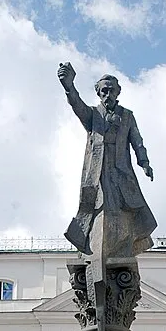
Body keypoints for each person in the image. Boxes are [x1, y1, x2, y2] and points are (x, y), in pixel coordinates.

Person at [57, 62, 157, 259]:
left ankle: (127, 242)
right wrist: (69, 86)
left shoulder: (127, 116)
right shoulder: (93, 115)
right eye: (103, 91)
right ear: (98, 92)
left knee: (127, 205)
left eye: (111, 90)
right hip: (98, 169)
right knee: (95, 206)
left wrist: (144, 162)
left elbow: (137, 140)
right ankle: (90, 240)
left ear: (118, 92)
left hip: (121, 169)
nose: (107, 94)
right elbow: (77, 105)